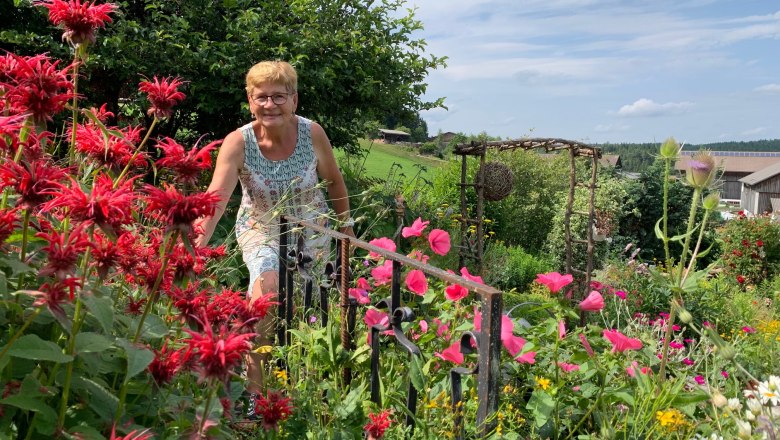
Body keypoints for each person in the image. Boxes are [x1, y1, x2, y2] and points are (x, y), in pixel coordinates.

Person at [194, 60, 353, 405]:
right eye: (261, 97)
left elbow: (335, 181)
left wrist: (348, 230)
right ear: (250, 100)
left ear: (294, 100)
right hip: (261, 227)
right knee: (266, 293)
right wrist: (192, 248)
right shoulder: (238, 142)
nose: (270, 105)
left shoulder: (313, 133)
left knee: (314, 302)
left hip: (312, 227)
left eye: (279, 97)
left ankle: (308, 385)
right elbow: (215, 200)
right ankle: (255, 391)